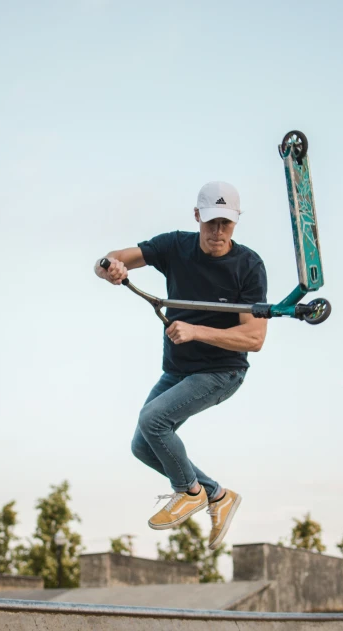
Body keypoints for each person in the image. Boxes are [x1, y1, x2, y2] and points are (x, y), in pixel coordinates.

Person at [95, 181, 268, 549]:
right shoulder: (175, 246)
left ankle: (188, 492)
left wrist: (196, 331)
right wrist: (109, 268)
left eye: (226, 223)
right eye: (211, 223)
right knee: (143, 446)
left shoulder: (248, 266)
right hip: (177, 371)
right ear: (197, 217)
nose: (218, 232)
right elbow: (111, 257)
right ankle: (217, 496)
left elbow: (254, 339)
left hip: (223, 372)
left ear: (236, 222)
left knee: (153, 420)